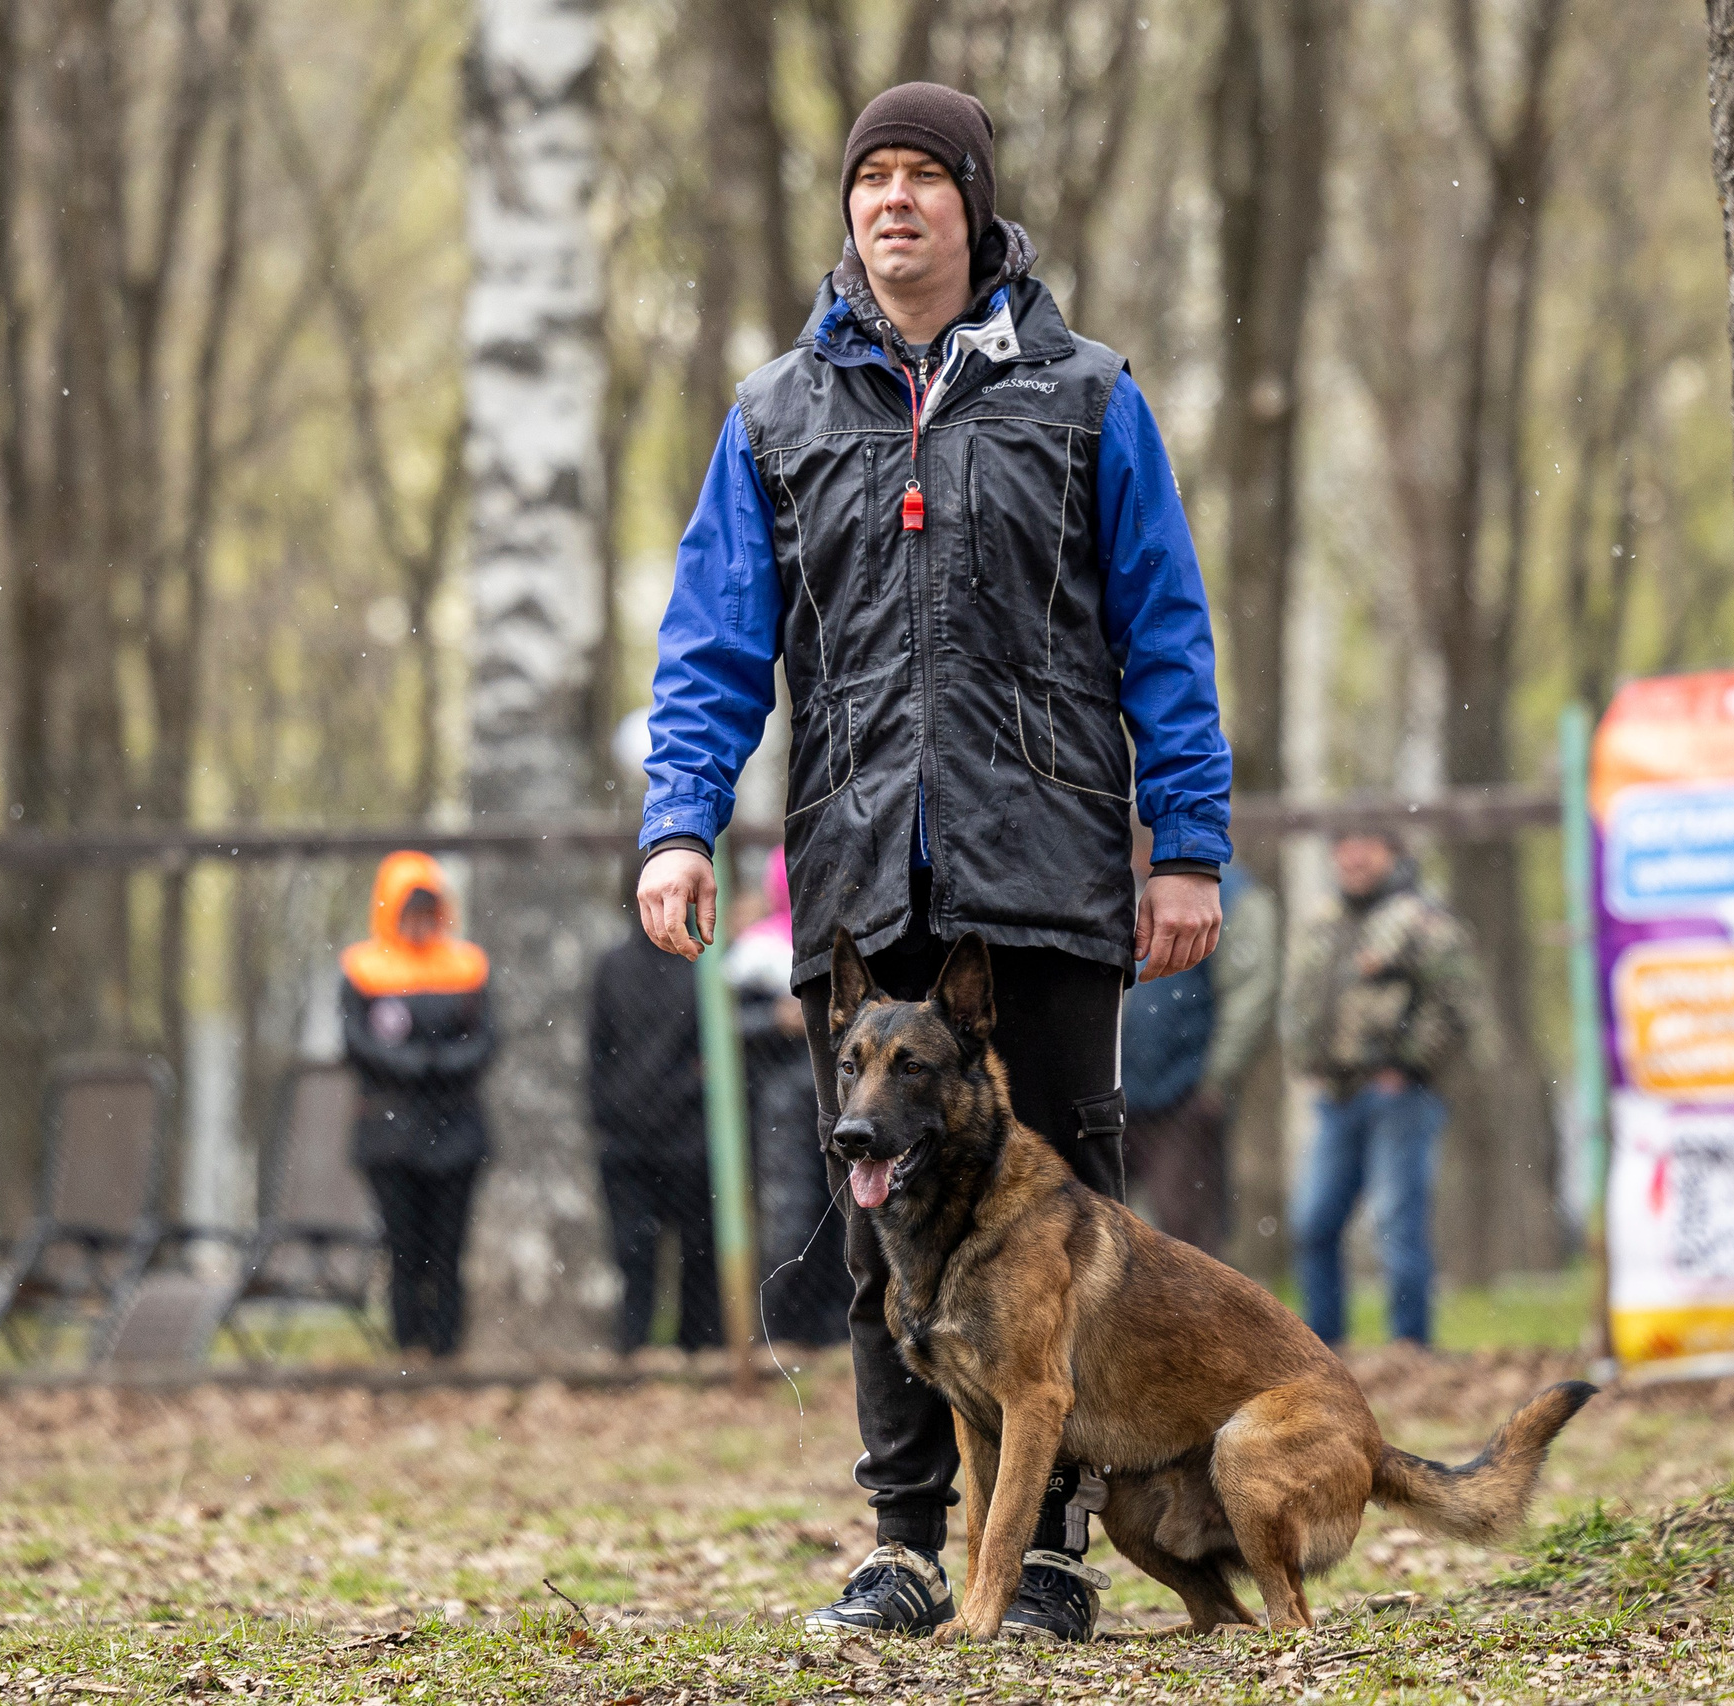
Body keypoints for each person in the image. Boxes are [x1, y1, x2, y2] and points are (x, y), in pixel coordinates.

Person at [633, 81, 1234, 1641]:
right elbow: (713, 645)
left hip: (1048, 871)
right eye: (869, 179)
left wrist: (1189, 845)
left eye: (922, 177)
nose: (892, 201)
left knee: (1073, 1209)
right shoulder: (774, 414)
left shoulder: (1089, 395)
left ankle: (1048, 1549)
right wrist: (679, 821)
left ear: (974, 206)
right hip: (855, 876)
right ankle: (902, 1539)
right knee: (874, 1205)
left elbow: (1164, 631)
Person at [1281, 832, 1482, 1348]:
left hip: (1398, 1098)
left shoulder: (1422, 921)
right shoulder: (1323, 923)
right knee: (1314, 1221)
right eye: (1345, 847)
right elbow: (1302, 1000)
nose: (1354, 857)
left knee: (1398, 1223)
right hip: (1335, 1095)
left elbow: (1457, 1003)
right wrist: (1306, 1059)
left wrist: (1409, 1066)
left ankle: (1409, 1349)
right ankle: (1325, 1348)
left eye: (1367, 847)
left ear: (1393, 856)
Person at [340, 852, 496, 1361]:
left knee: (448, 1248)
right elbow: (356, 1044)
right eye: (411, 912)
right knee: (404, 1247)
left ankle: (447, 1348)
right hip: (390, 1133)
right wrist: (410, 1066)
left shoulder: (467, 966)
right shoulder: (364, 969)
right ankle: (408, 1347)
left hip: (456, 1132)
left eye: (430, 912)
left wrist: (436, 1063)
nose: (421, 924)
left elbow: (486, 1041)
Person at [1118, 854, 1278, 1253]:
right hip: (1112, 1095)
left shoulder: (1234, 895)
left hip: (1183, 1095)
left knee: (1190, 1247)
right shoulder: (1114, 881)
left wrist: (1214, 1081)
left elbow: (1250, 997)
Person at [588, 892, 723, 1356]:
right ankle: (647, 1349)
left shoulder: (702, 967)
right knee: (642, 1254)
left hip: (676, 1139)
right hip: (648, 1139)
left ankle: (684, 1349)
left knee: (688, 1253)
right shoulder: (621, 967)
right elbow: (598, 1053)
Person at [727, 849, 852, 1346]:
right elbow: (726, 1029)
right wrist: (779, 1022)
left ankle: (840, 1327)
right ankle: (781, 1332)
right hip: (784, 1107)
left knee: (850, 1216)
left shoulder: (848, 945)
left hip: (847, 1106)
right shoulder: (754, 956)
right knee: (792, 1220)